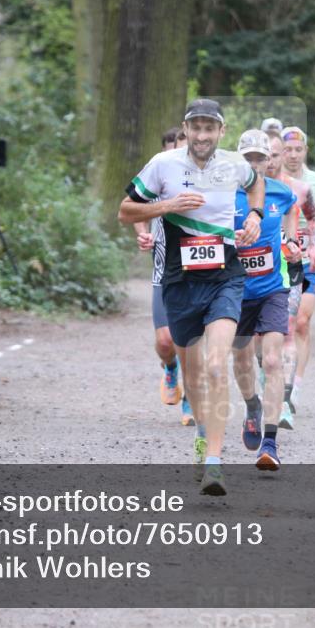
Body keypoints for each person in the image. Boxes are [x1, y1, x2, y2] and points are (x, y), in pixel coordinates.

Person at [118, 98, 265, 496]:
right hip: (179, 281)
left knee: (216, 364)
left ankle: (215, 463)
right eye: (195, 128)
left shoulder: (234, 163)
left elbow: (256, 185)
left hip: (224, 278)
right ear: (185, 129)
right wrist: (167, 205)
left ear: (221, 131)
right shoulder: (162, 165)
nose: (202, 135)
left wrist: (254, 216)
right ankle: (202, 434)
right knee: (194, 373)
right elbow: (125, 210)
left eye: (210, 128)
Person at [230, 129, 303, 470]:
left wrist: (292, 243)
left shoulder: (281, 192)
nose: (256, 165)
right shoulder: (224, 195)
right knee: (243, 362)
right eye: (249, 159)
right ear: (238, 161)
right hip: (234, 292)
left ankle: (270, 443)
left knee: (272, 361)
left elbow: (292, 218)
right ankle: (252, 406)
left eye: (262, 158)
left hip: (273, 289)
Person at [133, 128, 192, 424]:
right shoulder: (159, 176)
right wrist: (143, 234)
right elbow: (137, 207)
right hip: (164, 272)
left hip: (200, 273)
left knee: (195, 341)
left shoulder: (210, 181)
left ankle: (191, 398)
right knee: (167, 341)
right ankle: (170, 370)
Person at [266, 132, 315, 429]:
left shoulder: (300, 189)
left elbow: (314, 217)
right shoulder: (246, 189)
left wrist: (312, 244)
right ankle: (268, 384)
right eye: (270, 154)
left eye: (278, 154)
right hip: (255, 271)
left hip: (290, 268)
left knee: (289, 330)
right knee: (255, 341)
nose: (273, 160)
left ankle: (285, 399)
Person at [281, 126, 315, 419]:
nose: (293, 155)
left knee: (301, 322)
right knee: (280, 324)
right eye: (288, 150)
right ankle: (276, 381)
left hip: (308, 257)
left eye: (298, 150)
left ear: (305, 151)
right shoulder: (272, 180)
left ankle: (294, 387)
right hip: (282, 257)